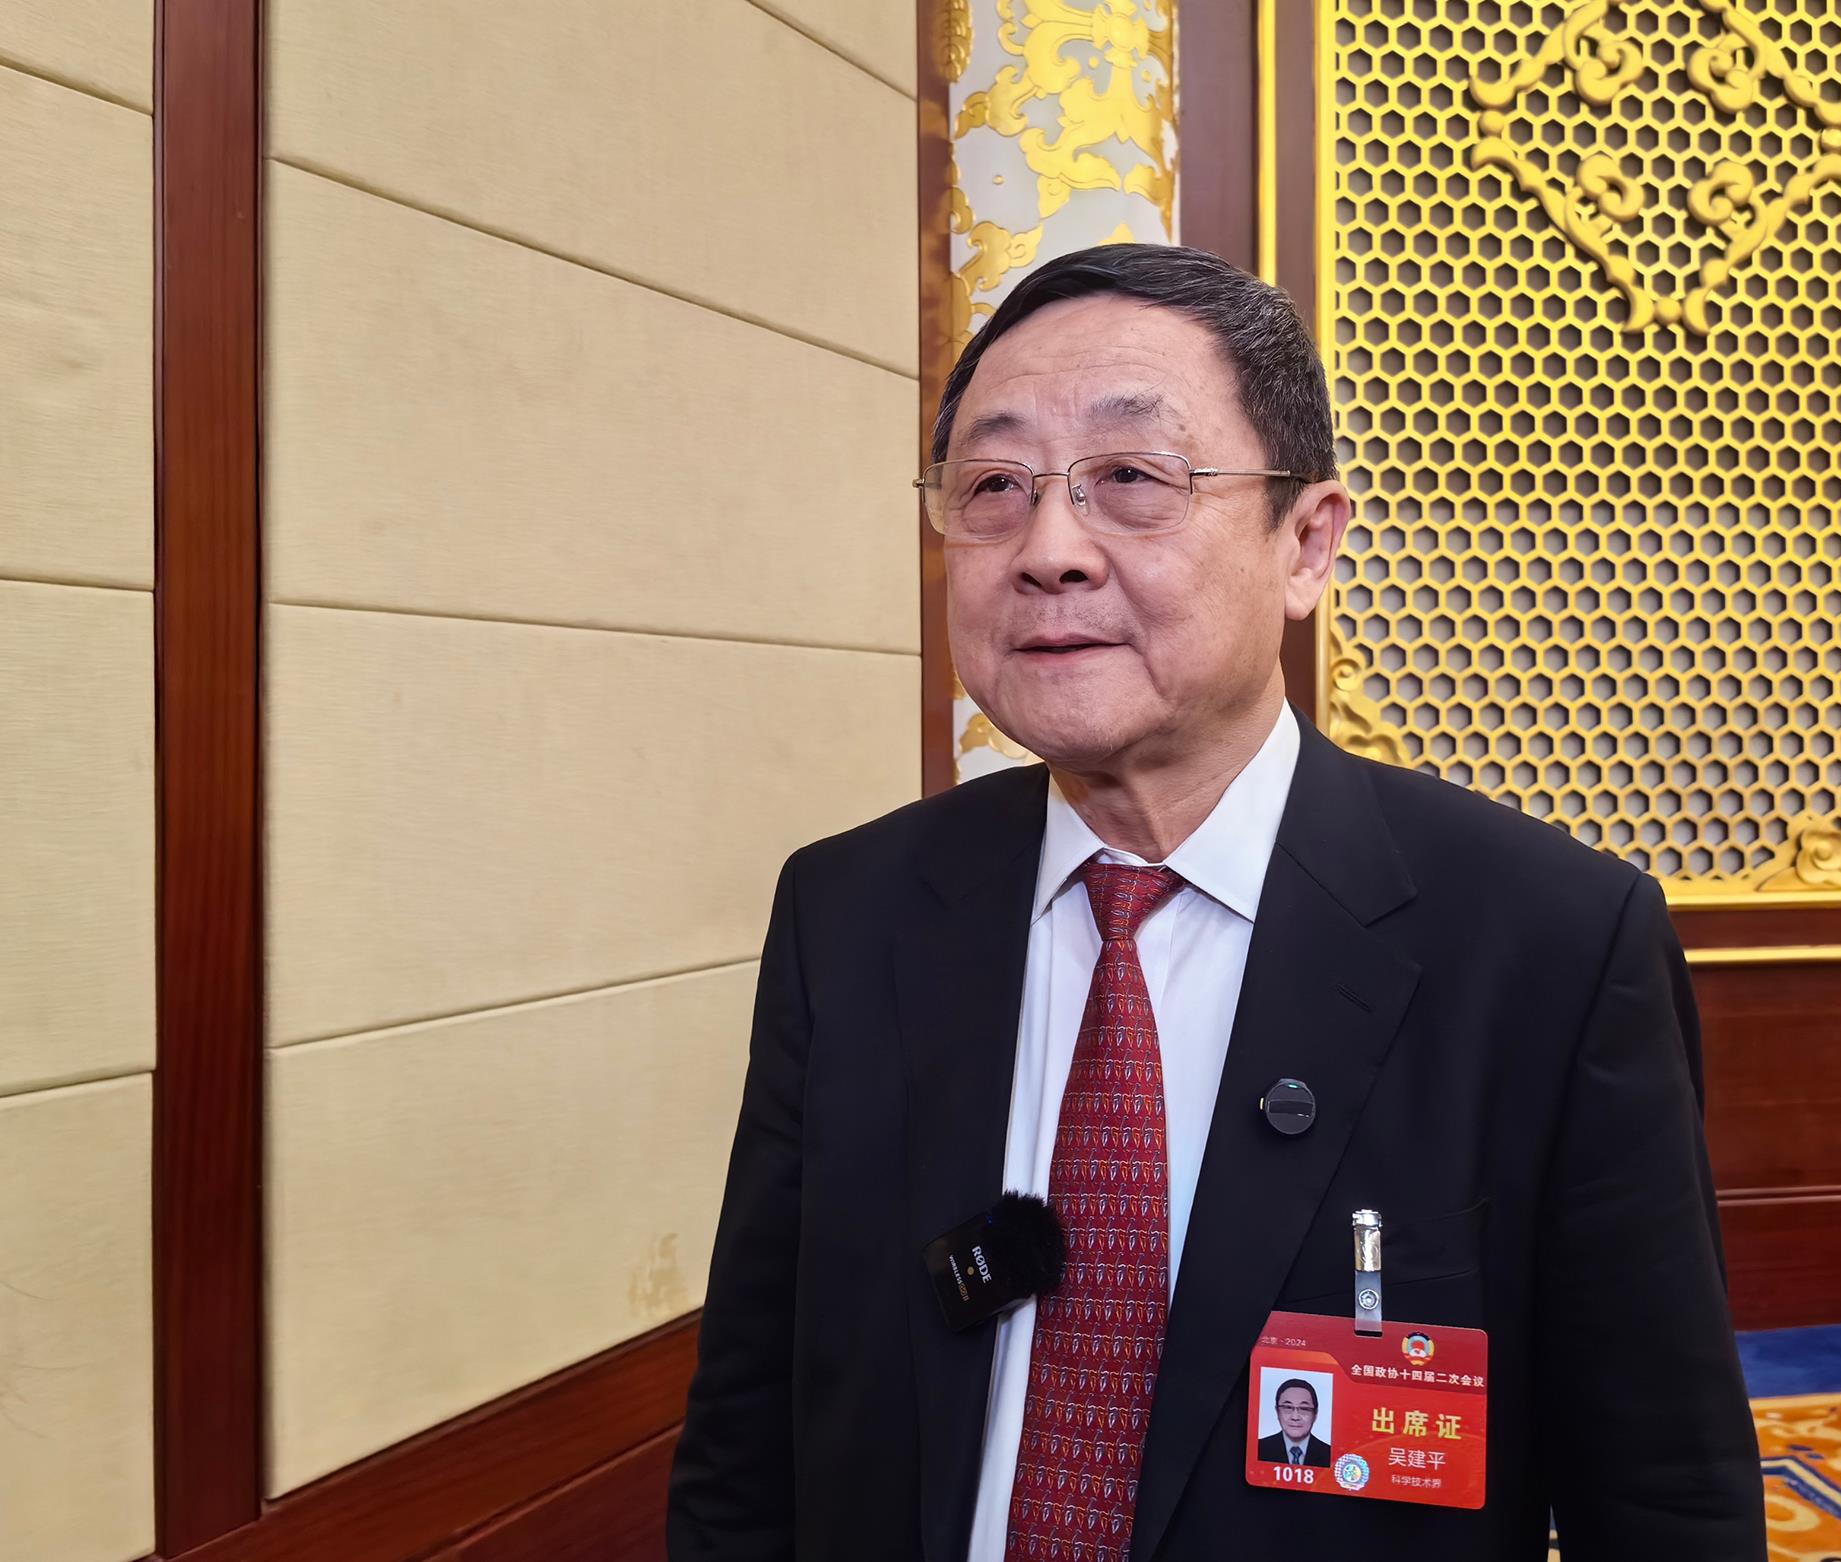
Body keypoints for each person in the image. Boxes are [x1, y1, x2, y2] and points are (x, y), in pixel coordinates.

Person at [666, 243, 1765, 1561]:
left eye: (1132, 478)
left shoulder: (1548, 945)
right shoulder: (848, 912)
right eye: (994, 487)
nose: (1048, 550)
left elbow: (1664, 1501)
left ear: (1305, 543)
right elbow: (747, 1431)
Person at [1257, 1379, 1330, 1468]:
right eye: (1288, 1407)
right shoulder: (1258, 1448)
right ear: (1277, 1411)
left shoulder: (1330, 1455)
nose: (1295, 1417)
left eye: (1304, 1408)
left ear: (1315, 1414)